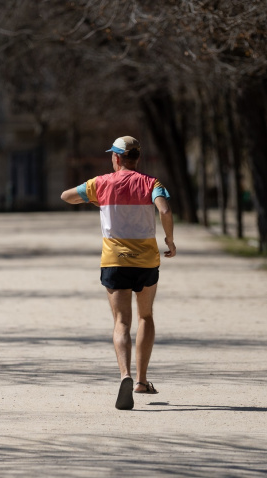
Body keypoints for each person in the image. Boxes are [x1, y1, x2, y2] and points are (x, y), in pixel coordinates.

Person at [61, 136, 176, 410]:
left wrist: (94, 200)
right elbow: (165, 209)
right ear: (137, 159)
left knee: (121, 322)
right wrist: (170, 240)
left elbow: (66, 196)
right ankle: (142, 380)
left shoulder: (100, 184)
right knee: (145, 315)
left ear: (115, 158)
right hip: (146, 261)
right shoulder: (152, 183)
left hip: (114, 261)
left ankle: (124, 374)